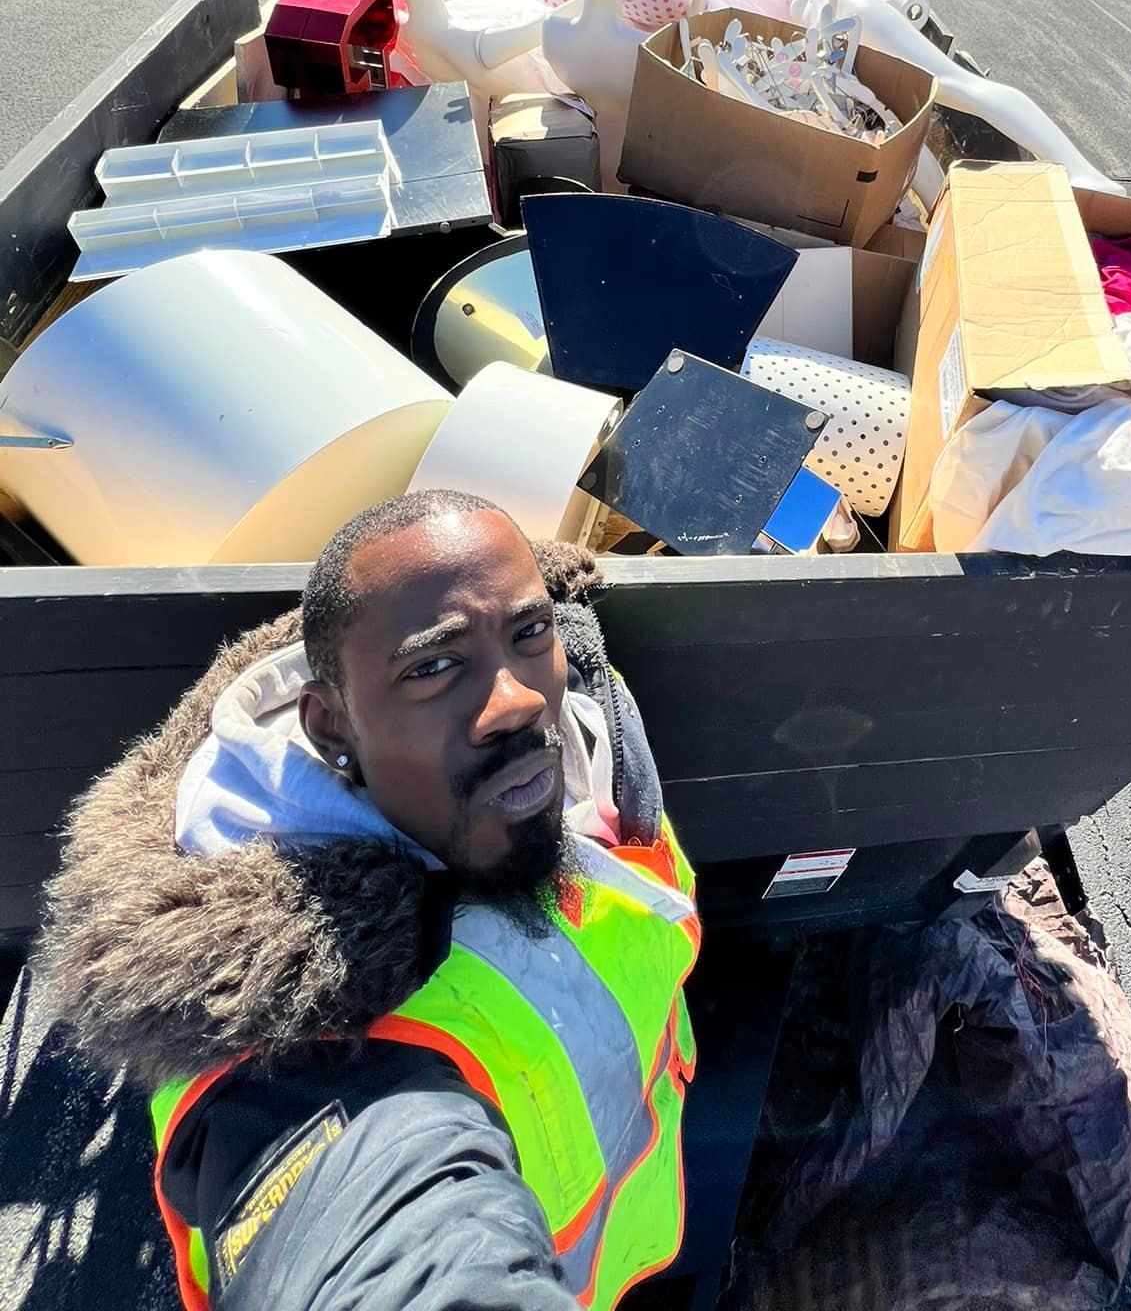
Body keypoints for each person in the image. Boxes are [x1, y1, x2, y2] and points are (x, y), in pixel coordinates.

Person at [40, 491, 699, 1311]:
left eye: (529, 633)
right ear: (331, 730)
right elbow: (384, 1238)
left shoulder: (586, 736)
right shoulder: (296, 1038)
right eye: (432, 667)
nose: (520, 699)